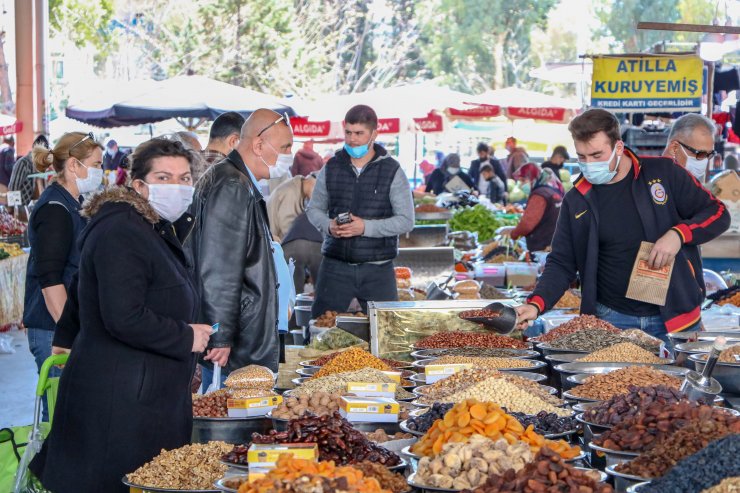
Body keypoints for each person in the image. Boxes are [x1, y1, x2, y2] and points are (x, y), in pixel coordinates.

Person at [30, 138, 212, 493]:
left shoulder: (149, 226)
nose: (177, 186)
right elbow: (123, 316)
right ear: (139, 185)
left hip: (139, 395)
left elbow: (85, 284)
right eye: (164, 177)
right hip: (122, 406)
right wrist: (186, 336)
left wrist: (64, 341)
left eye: (185, 177)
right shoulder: (122, 230)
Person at [515, 109, 730, 341]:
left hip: (675, 316)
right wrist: (536, 304)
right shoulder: (577, 199)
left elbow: (718, 213)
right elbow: (561, 262)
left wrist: (678, 235)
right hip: (611, 318)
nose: (589, 164)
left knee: (682, 377)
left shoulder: (664, 173)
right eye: (582, 157)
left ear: (618, 147)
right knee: (618, 379)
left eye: (597, 155)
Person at [187, 109, 290, 383]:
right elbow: (219, 267)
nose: (289, 155)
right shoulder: (232, 184)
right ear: (258, 145)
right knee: (229, 416)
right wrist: (220, 335)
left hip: (238, 333)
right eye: (285, 147)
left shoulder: (237, 180)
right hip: (234, 344)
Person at [22, 132, 103, 420]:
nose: (100, 172)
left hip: (64, 327)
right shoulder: (55, 210)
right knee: (60, 419)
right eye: (96, 164)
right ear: (73, 166)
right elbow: (50, 279)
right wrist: (68, 334)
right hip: (52, 331)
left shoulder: (72, 203)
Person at [307, 104, 414, 316]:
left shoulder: (392, 170)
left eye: (359, 133)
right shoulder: (331, 167)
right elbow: (313, 209)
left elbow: (406, 220)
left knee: (387, 333)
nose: (352, 139)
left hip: (378, 269)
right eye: (348, 132)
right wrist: (329, 226)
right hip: (334, 267)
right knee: (320, 329)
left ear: (375, 133)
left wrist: (365, 227)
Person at [507, 165, 563, 252]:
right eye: (520, 181)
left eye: (524, 180)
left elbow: (527, 225)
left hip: (543, 246)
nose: (521, 184)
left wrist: (513, 234)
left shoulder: (539, 195)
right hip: (555, 242)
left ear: (534, 178)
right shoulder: (551, 191)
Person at [662, 113, 717, 182]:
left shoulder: (693, 187)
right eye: (701, 154)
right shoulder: (649, 183)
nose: (704, 161)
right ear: (674, 148)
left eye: (709, 154)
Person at [9, 134, 48, 205]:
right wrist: (16, 211)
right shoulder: (23, 163)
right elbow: (13, 190)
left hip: (36, 208)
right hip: (22, 210)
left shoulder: (40, 165)